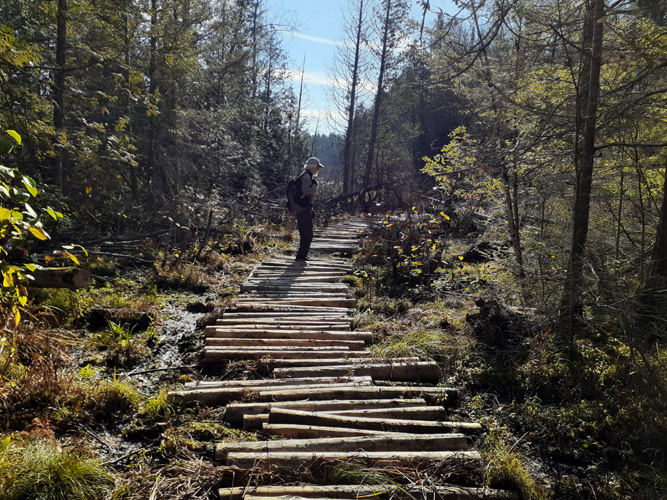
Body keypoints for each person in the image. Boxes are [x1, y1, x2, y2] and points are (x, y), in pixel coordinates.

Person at [292, 156, 324, 261]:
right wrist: (314, 186)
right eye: (317, 167)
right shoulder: (306, 177)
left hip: (304, 208)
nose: (318, 169)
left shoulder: (306, 175)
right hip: (303, 209)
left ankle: (303, 255)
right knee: (307, 233)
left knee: (306, 233)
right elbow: (305, 191)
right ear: (312, 167)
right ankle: (301, 256)